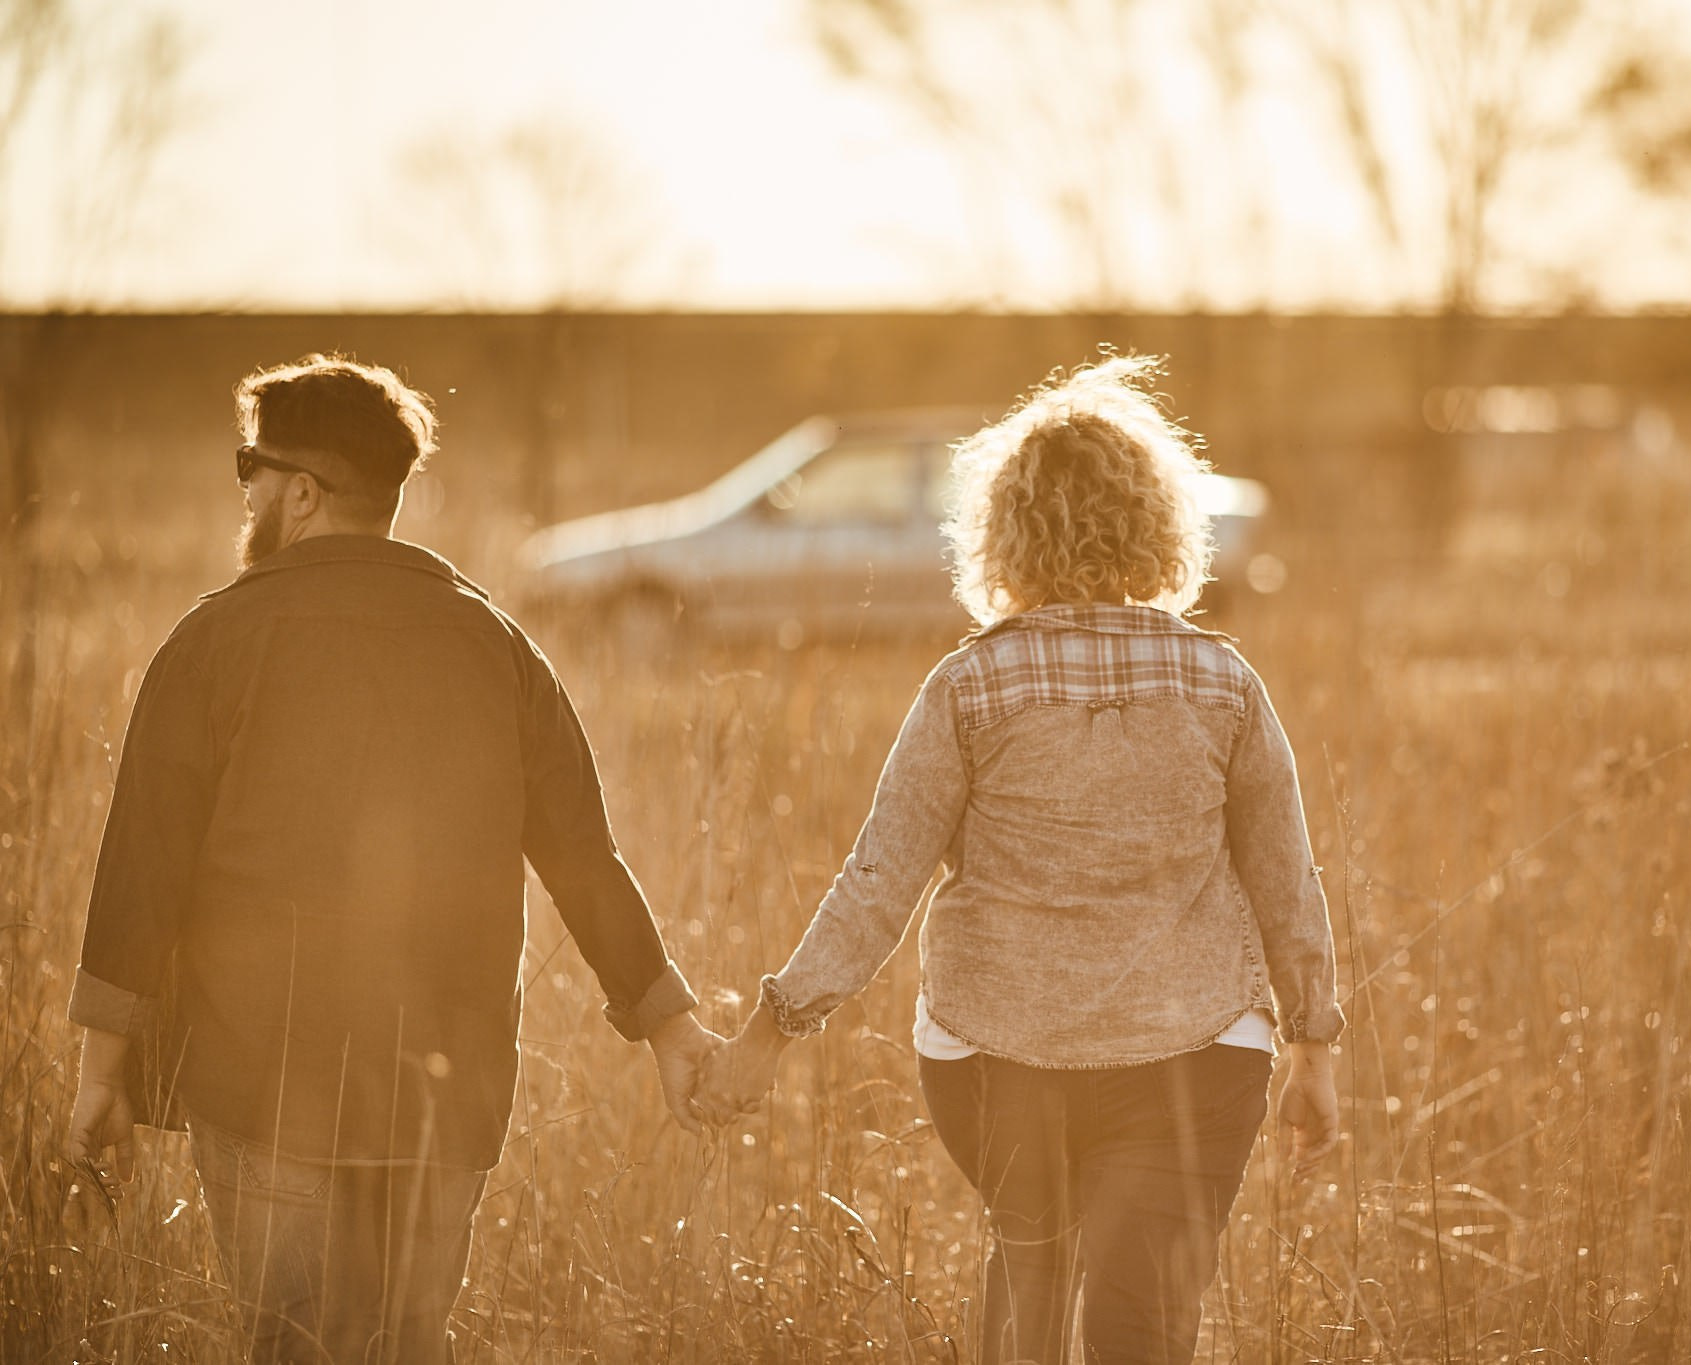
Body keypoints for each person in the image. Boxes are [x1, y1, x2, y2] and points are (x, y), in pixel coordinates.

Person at [63, 354, 720, 1364]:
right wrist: (669, 1025)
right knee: (405, 1346)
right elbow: (585, 857)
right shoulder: (492, 643)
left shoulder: (212, 640)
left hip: (260, 1081)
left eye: (250, 470)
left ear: (300, 491)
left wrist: (99, 1076)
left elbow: (141, 869)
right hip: (438, 1097)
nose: (245, 493)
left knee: (288, 1345)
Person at [690, 355, 1346, 1364]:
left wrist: (766, 1036)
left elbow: (879, 881)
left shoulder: (969, 688)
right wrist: (1314, 1050)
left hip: (998, 1058)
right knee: (1142, 1325)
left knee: (1031, 1266)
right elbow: (1284, 880)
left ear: (1003, 530)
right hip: (1195, 1059)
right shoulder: (1222, 683)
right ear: (1159, 525)